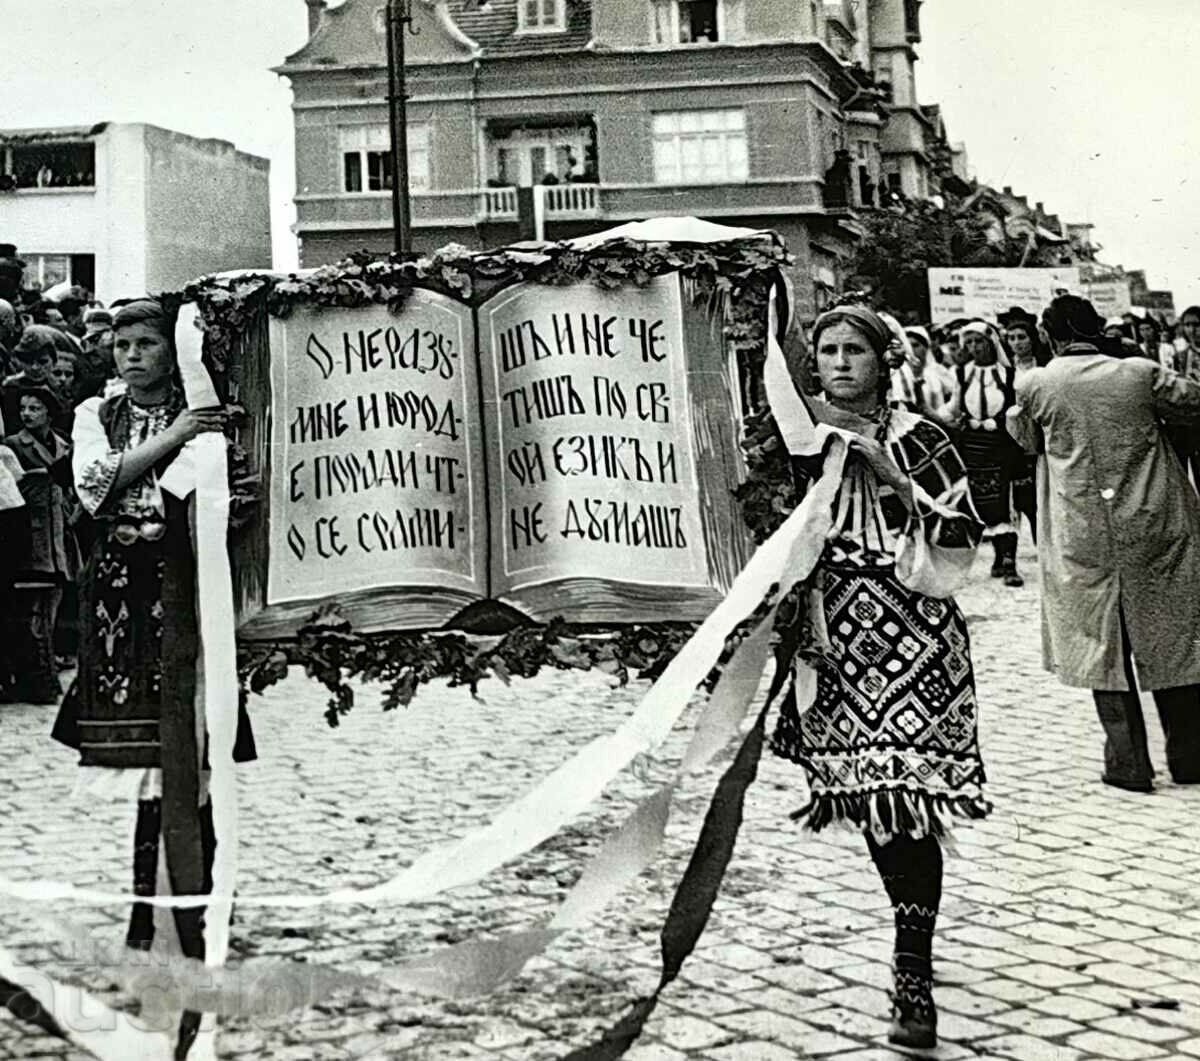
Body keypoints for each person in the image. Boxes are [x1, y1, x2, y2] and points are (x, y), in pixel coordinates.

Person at [770, 304, 990, 1050]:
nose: (839, 363)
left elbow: (964, 538)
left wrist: (895, 479)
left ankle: (912, 967)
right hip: (835, 645)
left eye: (854, 350)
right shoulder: (797, 445)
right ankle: (910, 936)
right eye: (828, 350)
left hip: (916, 637)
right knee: (872, 801)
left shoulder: (921, 437)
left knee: (907, 801)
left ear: (883, 360)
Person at [52, 298, 256, 1053]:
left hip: (188, 587)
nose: (131, 356)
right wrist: (176, 436)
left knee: (195, 754)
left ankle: (199, 909)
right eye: (122, 344)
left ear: (172, 352)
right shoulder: (94, 415)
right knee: (143, 763)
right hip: (120, 600)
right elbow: (94, 485)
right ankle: (147, 911)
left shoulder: (207, 405)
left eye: (147, 344)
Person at [1007, 294, 1200, 791]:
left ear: (1050, 336)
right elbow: (1193, 402)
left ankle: (1127, 763)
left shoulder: (1036, 384)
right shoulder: (1139, 373)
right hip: (1153, 520)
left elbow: (1026, 440)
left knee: (1097, 642)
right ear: (1098, 329)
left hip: (1082, 527)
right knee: (1172, 634)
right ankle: (1190, 756)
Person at [4, 386, 77, 704]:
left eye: (35, 408)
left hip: (59, 532)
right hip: (30, 534)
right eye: (23, 408)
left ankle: (44, 674)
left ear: (49, 412)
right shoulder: (12, 447)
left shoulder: (64, 444)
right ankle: (37, 678)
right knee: (31, 612)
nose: (27, 414)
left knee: (51, 607)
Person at [942, 321, 1026, 586]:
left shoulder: (1010, 375)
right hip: (972, 446)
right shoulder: (962, 374)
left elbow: (1020, 411)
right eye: (970, 343)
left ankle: (1008, 560)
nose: (975, 348)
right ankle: (989, 558)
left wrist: (1002, 422)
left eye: (980, 342)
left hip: (1001, 446)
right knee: (976, 501)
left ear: (991, 343)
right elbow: (953, 409)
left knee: (1004, 500)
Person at [0, 439, 30, 702]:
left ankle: (8, 676)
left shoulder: (4, 455)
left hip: (7, 523)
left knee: (5, 606)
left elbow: (16, 498)